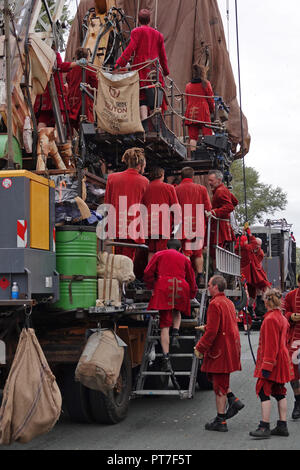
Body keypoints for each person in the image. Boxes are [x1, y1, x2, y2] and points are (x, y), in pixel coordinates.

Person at [194, 275, 243, 432]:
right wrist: (207, 327)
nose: (207, 287)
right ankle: (233, 401)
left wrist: (200, 347)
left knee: (219, 387)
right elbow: (222, 326)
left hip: (220, 350)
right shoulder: (228, 302)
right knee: (219, 382)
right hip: (229, 348)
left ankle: (221, 421)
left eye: (209, 285)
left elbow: (213, 332)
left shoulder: (215, 304)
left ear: (216, 287)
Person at [144, 239, 197, 372]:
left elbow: (147, 272)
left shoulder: (159, 254)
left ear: (166, 246)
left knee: (164, 324)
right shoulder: (184, 258)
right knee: (177, 312)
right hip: (180, 286)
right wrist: (192, 293)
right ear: (180, 249)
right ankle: (176, 333)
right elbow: (191, 277)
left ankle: (166, 357)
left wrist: (151, 285)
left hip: (164, 286)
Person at [249, 288, 294, 438]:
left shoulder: (270, 320)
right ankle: (282, 425)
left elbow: (270, 346)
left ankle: (264, 427)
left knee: (263, 391)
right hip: (281, 359)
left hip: (272, 361)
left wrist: (266, 367)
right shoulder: (281, 318)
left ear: (267, 301)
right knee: (280, 392)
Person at [114, 8, 169, 121]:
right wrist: (166, 71)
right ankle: (155, 124)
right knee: (154, 97)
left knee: (142, 96)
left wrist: (119, 64)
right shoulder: (158, 35)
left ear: (139, 20)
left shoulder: (136, 32)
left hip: (140, 69)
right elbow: (163, 56)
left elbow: (130, 49)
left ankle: (144, 124)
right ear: (150, 20)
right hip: (154, 69)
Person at [104, 147, 149, 260]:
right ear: (141, 164)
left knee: (115, 257)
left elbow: (107, 202)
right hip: (133, 224)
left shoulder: (112, 178)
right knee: (128, 258)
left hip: (115, 224)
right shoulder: (144, 181)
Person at [175, 167, 212, 288]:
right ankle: (200, 277)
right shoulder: (201, 189)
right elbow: (208, 207)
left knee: (185, 251)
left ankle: (186, 276)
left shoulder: (176, 189)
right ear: (193, 176)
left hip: (183, 225)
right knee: (198, 253)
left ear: (181, 176)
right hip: (198, 225)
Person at [34, 48, 84, 130]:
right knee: (60, 119)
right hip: (55, 92)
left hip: (43, 91)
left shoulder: (37, 54)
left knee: (43, 119)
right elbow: (60, 66)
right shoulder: (53, 54)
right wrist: (77, 63)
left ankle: (40, 141)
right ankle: (58, 141)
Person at [141, 167, 180, 261]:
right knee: (162, 250)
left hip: (149, 223)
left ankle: (150, 273)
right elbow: (175, 207)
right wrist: (176, 223)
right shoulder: (169, 188)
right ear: (162, 175)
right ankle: (160, 273)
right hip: (163, 224)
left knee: (151, 250)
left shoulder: (145, 188)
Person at [184, 64, 215, 155]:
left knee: (192, 136)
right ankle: (209, 154)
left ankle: (193, 156)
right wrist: (212, 109)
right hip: (203, 111)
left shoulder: (188, 86)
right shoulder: (206, 84)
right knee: (207, 133)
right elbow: (210, 98)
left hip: (191, 112)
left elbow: (187, 100)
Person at [66, 47, 98, 133]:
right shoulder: (90, 69)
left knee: (73, 127)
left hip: (72, 100)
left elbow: (68, 81)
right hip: (84, 102)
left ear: (77, 57)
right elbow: (96, 85)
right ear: (87, 57)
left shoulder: (71, 71)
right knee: (87, 126)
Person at [207, 169, 238, 253]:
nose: (209, 182)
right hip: (223, 226)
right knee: (220, 252)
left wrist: (214, 212)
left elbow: (229, 206)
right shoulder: (223, 189)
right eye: (209, 180)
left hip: (220, 227)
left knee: (215, 253)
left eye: (211, 180)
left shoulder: (220, 191)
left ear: (219, 180)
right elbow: (235, 201)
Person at [282, 273, 300, 419]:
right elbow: (284, 313)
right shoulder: (290, 296)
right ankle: (298, 401)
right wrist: (291, 316)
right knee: (293, 373)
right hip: (295, 340)